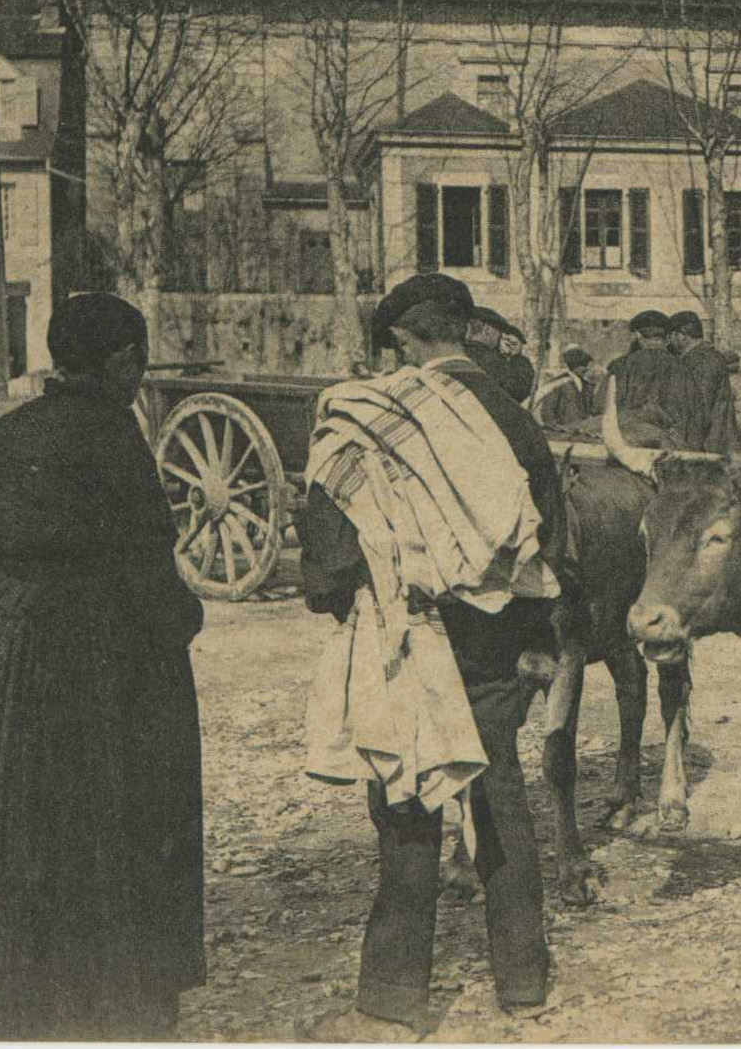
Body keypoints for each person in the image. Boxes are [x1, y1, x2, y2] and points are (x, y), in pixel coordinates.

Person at [0, 293, 206, 1040]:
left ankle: (10, 993)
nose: (137, 373)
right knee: (107, 822)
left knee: (17, 823)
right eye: (137, 359)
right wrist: (185, 618)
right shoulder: (111, 433)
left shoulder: (14, 427)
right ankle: (104, 1001)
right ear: (120, 359)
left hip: (13, 660)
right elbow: (147, 566)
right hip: (97, 662)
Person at [302, 273, 560, 1033]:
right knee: (500, 798)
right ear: (467, 331)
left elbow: (326, 551)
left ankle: (394, 997)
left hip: (409, 637)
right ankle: (523, 981)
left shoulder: (374, 415)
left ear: (405, 343)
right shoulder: (516, 420)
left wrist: (345, 593)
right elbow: (554, 539)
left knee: (408, 802)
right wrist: (533, 637)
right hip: (498, 641)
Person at [606, 311, 682, 447]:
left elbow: (601, 406)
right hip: (670, 446)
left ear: (638, 335)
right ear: (668, 337)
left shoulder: (621, 365)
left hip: (627, 444)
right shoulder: (682, 367)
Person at [666, 311, 738, 454]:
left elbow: (700, 409)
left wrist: (690, 449)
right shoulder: (709, 357)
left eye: (671, 336)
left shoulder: (700, 361)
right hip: (715, 443)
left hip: (707, 448)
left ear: (681, 336)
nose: (669, 342)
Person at [466, 308, 537, 406]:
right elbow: (522, 391)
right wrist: (516, 357)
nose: (499, 337)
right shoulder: (492, 359)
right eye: (499, 332)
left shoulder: (459, 353)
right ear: (487, 330)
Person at [530, 347, 597, 431]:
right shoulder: (559, 383)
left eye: (586, 365)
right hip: (563, 433)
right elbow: (548, 410)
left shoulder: (587, 385)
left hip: (582, 431)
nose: (587, 368)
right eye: (583, 365)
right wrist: (556, 427)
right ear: (574, 366)